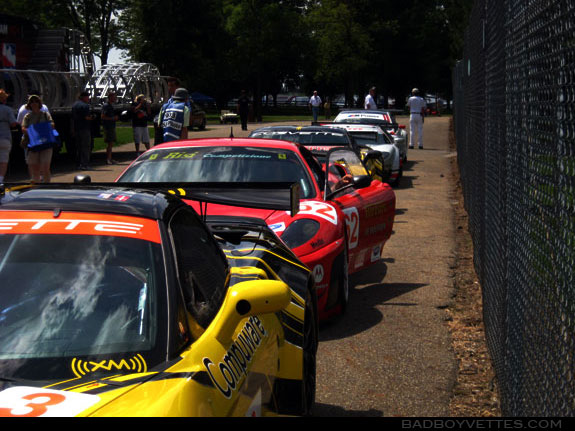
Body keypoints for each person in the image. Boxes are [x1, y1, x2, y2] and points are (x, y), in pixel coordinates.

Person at [20, 95, 56, 183]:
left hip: (45, 143)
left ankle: (47, 185)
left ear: (39, 103)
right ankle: (37, 186)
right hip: (33, 144)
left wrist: (41, 129)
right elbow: (23, 128)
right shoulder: (27, 116)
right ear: (29, 104)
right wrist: (34, 133)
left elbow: (52, 125)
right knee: (34, 167)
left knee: (45, 167)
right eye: (32, 102)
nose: (34, 103)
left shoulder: (45, 114)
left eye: (36, 101)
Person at [0, 89, 18, 184]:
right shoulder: (7, 109)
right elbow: (13, 123)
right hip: (5, 138)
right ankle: (0, 179)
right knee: (3, 160)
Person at [72, 91, 94, 170]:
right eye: (87, 97)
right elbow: (86, 117)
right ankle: (85, 164)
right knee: (86, 147)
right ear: (84, 97)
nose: (88, 98)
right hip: (85, 128)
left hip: (77, 128)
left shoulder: (74, 105)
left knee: (79, 147)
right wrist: (92, 118)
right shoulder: (85, 106)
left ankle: (78, 164)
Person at [101, 90, 119, 164]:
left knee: (111, 143)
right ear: (110, 97)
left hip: (111, 126)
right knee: (109, 143)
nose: (115, 98)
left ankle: (110, 158)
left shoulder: (111, 105)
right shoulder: (106, 106)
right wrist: (112, 118)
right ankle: (108, 159)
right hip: (108, 127)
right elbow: (102, 116)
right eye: (114, 97)